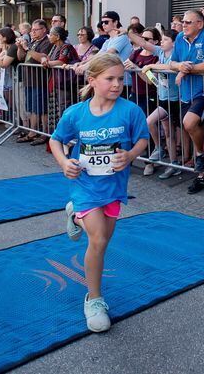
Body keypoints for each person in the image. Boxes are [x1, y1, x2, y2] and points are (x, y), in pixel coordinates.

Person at [51, 53, 149, 333]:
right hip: (85, 186)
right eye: (110, 79)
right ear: (92, 80)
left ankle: (75, 215)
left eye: (120, 79)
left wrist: (129, 155)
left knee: (103, 241)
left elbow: (143, 138)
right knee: (98, 238)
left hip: (114, 188)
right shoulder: (76, 114)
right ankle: (93, 299)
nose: (117, 84)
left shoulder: (131, 111)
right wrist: (64, 163)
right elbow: (56, 140)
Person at [161, 9, 204, 194]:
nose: (184, 25)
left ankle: (201, 155)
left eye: (188, 22)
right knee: (191, 127)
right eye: (183, 22)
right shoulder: (179, 38)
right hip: (185, 93)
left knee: (190, 123)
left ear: (200, 24)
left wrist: (187, 69)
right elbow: (173, 63)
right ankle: (202, 174)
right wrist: (179, 66)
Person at [137, 29, 179, 177]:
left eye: (165, 39)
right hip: (162, 96)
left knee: (155, 125)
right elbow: (154, 80)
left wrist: (150, 66)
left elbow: (171, 67)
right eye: (162, 39)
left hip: (173, 100)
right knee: (167, 132)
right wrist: (147, 72)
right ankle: (169, 158)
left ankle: (168, 157)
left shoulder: (175, 54)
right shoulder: (161, 53)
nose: (162, 42)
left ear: (173, 43)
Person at [17, 19, 52, 145]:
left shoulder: (47, 42)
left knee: (41, 109)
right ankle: (32, 132)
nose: (33, 32)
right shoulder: (33, 42)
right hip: (29, 79)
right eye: (32, 30)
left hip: (39, 80)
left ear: (44, 30)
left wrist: (27, 48)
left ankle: (44, 134)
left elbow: (42, 57)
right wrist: (21, 47)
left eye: (36, 30)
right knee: (31, 108)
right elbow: (21, 57)